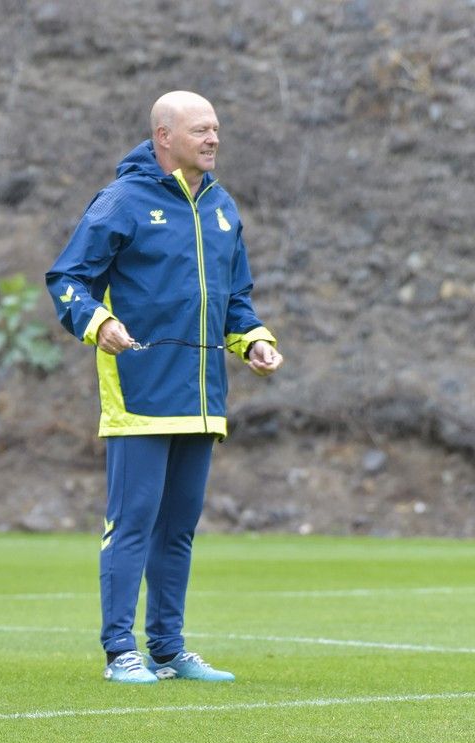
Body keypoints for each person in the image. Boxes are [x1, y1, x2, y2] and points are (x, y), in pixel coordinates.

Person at [45, 91, 283, 684]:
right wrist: (99, 324)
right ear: (163, 136)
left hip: (202, 399)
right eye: (201, 130)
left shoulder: (223, 207)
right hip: (140, 392)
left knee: (177, 530)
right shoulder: (122, 200)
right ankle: (120, 649)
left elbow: (234, 300)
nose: (213, 139)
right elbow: (67, 278)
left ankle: (169, 648)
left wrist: (253, 339)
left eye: (217, 129)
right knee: (133, 525)